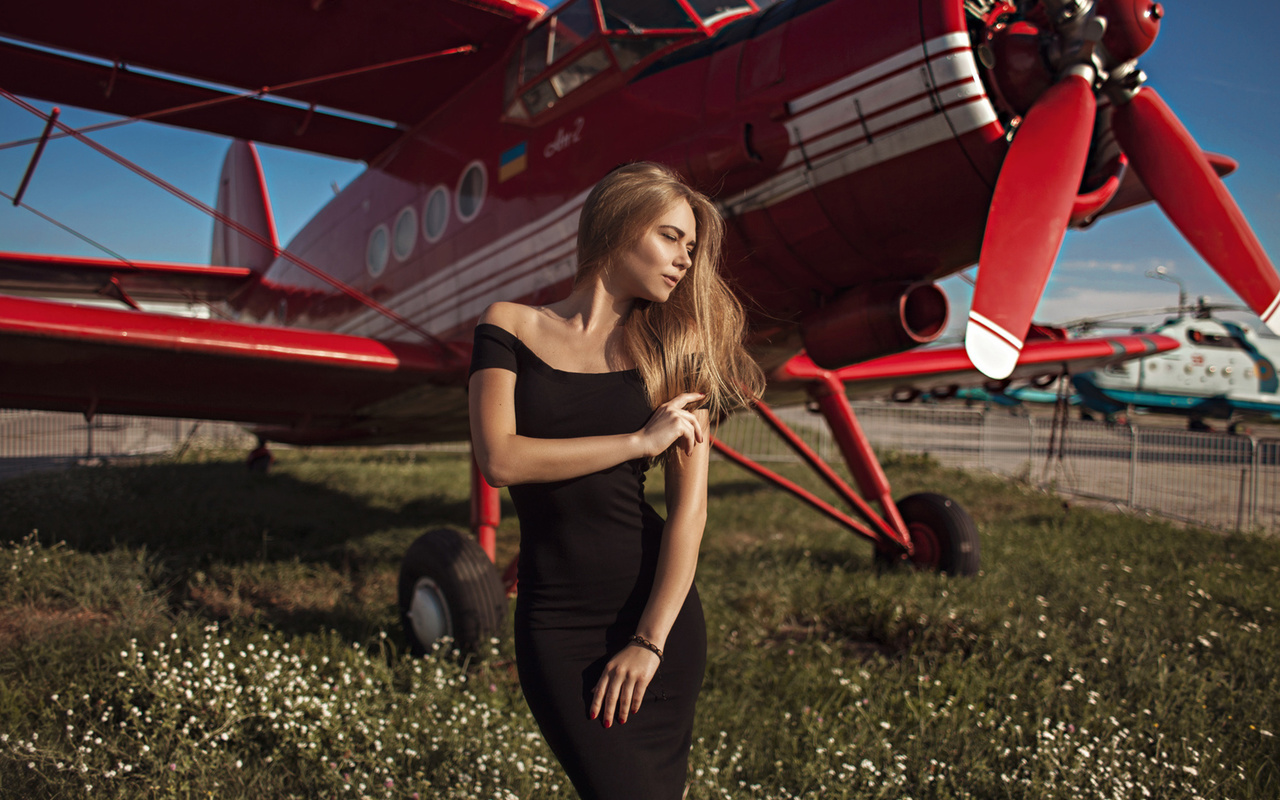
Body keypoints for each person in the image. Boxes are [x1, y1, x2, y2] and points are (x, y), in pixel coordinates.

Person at [468, 162, 764, 799]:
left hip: (653, 614)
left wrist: (649, 643)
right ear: (617, 225)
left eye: (691, 246)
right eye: (669, 237)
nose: (685, 259)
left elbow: (690, 515)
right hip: (555, 618)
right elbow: (501, 460)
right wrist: (638, 441)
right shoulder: (510, 327)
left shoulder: (677, 355)